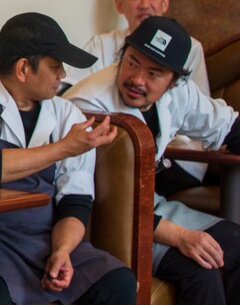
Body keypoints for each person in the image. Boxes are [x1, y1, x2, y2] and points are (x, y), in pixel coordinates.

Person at [0, 12, 136, 305]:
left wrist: (62, 251)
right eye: (55, 66)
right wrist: (65, 148)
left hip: (42, 243)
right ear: (23, 68)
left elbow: (75, 201)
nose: (63, 75)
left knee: (116, 281)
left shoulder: (67, 115)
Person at [65, 16, 240, 305]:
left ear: (174, 81)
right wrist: (181, 237)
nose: (137, 79)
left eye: (154, 73)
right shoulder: (89, 107)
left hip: (150, 206)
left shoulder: (179, 93)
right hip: (106, 220)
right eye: (132, 62)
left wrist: (182, 234)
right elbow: (103, 203)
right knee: (200, 271)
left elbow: (228, 127)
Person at [65, 0, 211, 191]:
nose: (145, 5)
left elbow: (200, 111)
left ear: (165, 2)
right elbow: (75, 99)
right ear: (120, 4)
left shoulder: (189, 49)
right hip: (111, 152)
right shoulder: (100, 45)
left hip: (174, 157)